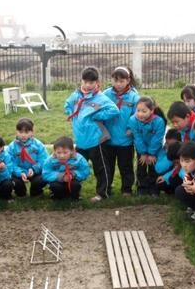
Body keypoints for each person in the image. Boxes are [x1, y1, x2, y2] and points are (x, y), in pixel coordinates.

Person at [64, 66, 119, 202]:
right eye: (85, 82)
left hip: (96, 140)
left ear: (96, 83)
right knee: (75, 165)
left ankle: (102, 193)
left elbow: (114, 110)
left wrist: (97, 115)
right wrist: (72, 113)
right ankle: (73, 192)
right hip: (81, 140)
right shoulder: (76, 95)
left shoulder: (100, 97)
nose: (88, 85)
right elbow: (67, 104)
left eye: (91, 83)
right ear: (81, 81)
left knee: (100, 168)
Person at [103, 66, 139, 196]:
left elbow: (136, 115)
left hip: (125, 140)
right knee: (108, 167)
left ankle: (126, 189)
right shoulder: (105, 94)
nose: (118, 84)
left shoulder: (134, 97)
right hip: (108, 139)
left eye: (122, 81)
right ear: (111, 80)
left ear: (128, 80)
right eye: (116, 80)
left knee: (126, 166)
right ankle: (106, 188)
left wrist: (131, 128)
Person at [127, 96, 166, 196]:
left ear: (152, 110)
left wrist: (152, 153)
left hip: (155, 149)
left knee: (154, 167)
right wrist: (143, 153)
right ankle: (141, 188)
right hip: (141, 148)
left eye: (144, 111)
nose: (140, 114)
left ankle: (154, 188)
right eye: (138, 110)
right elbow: (137, 137)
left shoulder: (159, 121)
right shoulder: (133, 120)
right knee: (141, 166)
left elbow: (157, 139)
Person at [6, 118, 48, 198]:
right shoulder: (11, 147)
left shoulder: (38, 145)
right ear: (16, 131)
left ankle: (36, 192)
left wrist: (34, 169)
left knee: (42, 178)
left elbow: (44, 160)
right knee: (13, 180)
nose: (23, 135)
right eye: (20, 132)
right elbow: (10, 163)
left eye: (27, 132)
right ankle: (21, 193)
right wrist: (20, 172)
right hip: (19, 173)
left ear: (32, 132)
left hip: (34, 171)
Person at [42, 136, 90, 201]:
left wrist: (73, 174)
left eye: (65, 152)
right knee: (55, 186)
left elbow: (85, 172)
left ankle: (75, 196)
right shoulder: (50, 160)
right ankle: (56, 196)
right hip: (57, 181)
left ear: (72, 151)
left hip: (73, 180)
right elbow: (46, 174)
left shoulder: (79, 159)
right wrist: (61, 176)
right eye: (58, 152)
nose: (62, 156)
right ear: (54, 151)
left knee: (76, 185)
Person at [155, 129, 183, 195]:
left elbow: (181, 171)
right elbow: (159, 169)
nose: (169, 146)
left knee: (174, 179)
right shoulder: (164, 150)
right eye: (167, 143)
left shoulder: (185, 152)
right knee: (160, 183)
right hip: (171, 173)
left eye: (172, 144)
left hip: (182, 178)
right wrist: (170, 158)